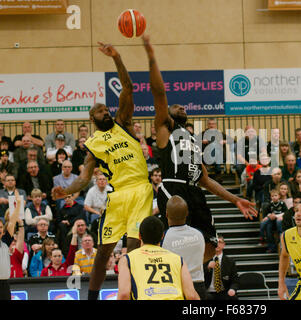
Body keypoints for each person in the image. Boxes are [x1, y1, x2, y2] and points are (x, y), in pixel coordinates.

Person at [52, 42, 154, 301]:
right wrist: (66, 190)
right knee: (103, 252)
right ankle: (92, 297)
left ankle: (134, 296)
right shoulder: (93, 145)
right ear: (92, 118)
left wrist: (117, 57)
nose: (105, 112)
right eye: (99, 111)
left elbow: (128, 88)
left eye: (106, 109)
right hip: (118, 196)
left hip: (140, 190)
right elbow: (84, 178)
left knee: (133, 249)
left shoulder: (123, 123)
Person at [142, 34, 256, 262]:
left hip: (194, 190)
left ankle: (193, 281)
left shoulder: (192, 140)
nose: (181, 107)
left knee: (211, 246)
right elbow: (159, 93)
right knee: (171, 245)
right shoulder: (165, 130)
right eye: (176, 106)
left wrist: (235, 200)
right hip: (173, 189)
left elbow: (204, 179)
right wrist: (151, 56)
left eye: (183, 106)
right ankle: (174, 281)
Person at [117, 215, 199, 300]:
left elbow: (123, 294)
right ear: (162, 236)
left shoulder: (127, 259)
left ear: (139, 236)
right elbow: (191, 296)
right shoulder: (178, 259)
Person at [161, 196, 206, 300]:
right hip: (199, 285)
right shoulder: (199, 234)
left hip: (176, 287)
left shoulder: (163, 238)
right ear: (187, 213)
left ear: (166, 214)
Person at [0, 192, 23, 299]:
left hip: (4, 285)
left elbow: (12, 222)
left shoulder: (5, 241)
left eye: (0, 227)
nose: (0, 229)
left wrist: (18, 204)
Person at [203, 235, 239, 300]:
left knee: (232, 298)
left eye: (219, 242)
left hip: (224, 292)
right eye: (215, 242)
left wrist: (232, 289)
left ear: (224, 245)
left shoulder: (230, 262)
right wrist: (207, 267)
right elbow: (198, 278)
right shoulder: (204, 260)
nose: (217, 244)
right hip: (208, 292)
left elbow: (235, 280)